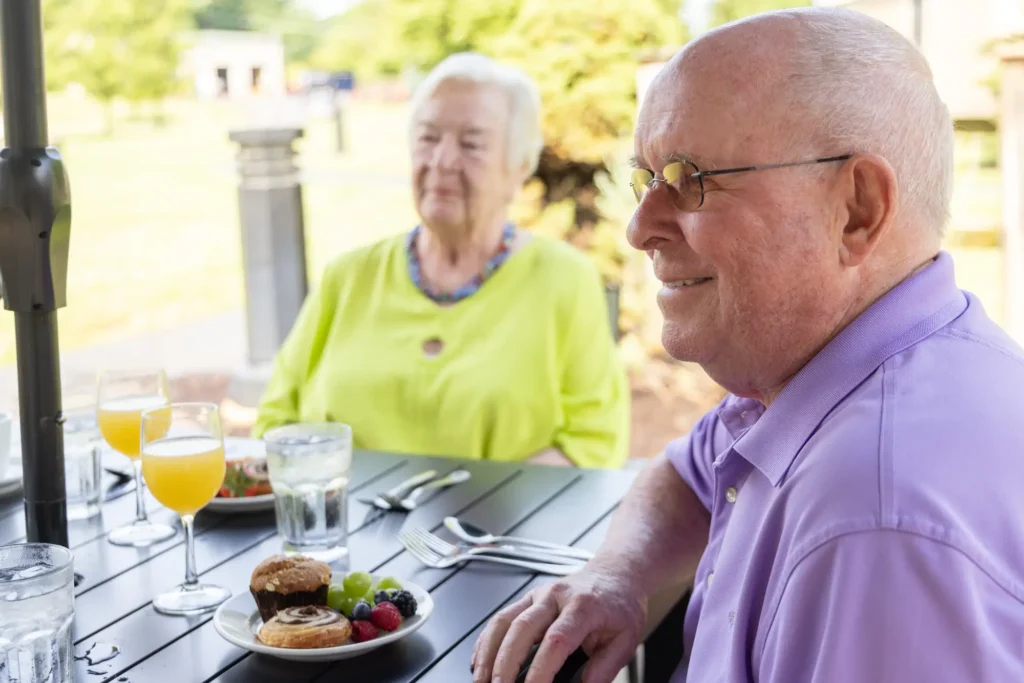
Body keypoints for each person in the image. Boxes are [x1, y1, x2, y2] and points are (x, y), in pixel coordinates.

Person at [471, 7, 1024, 683]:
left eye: (689, 179)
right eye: (649, 181)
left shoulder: (871, 517)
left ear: (857, 209)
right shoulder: (834, 375)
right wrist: (616, 576)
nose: (640, 228)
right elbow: (689, 474)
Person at [252, 53, 629, 469]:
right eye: (428, 138)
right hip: (341, 526)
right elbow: (275, 424)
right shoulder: (347, 276)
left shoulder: (564, 280)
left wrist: (470, 522)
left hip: (494, 529)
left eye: (471, 143)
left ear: (519, 167)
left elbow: (593, 445)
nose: (442, 160)